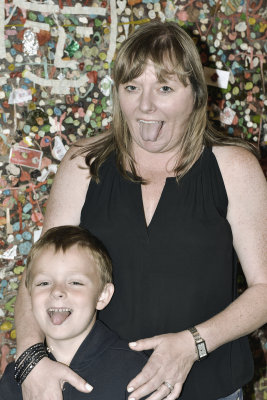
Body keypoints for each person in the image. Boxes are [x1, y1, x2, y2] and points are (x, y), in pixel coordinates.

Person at [14, 21, 267, 400]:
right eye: (132, 87)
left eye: (164, 88)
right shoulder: (85, 164)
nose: (145, 105)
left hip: (210, 388)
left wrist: (192, 344)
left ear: (196, 94)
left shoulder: (234, 168)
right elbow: (37, 278)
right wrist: (30, 359)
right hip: (95, 388)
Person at [0, 226, 148, 399]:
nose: (57, 291)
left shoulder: (137, 374)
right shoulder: (16, 377)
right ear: (30, 295)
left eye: (75, 282)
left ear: (102, 295)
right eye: (43, 283)